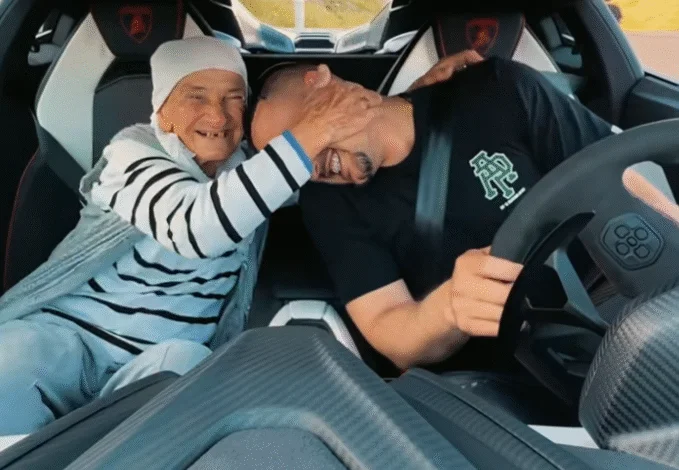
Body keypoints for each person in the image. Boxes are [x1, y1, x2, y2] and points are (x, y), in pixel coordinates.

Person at [0, 36, 381, 436]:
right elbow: (197, 227)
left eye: (234, 99)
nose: (217, 116)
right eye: (196, 97)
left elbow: (349, 160)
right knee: (14, 358)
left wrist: (417, 99)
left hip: (155, 361)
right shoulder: (132, 152)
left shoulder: (254, 171)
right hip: (69, 339)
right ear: (161, 110)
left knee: (189, 365)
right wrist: (313, 130)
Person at [249, 54, 679, 373]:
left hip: (629, 297)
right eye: (290, 164)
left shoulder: (498, 89)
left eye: (300, 138)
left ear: (320, 83)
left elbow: (612, 176)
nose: (308, 165)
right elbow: (388, 327)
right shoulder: (327, 202)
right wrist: (448, 309)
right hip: (520, 366)